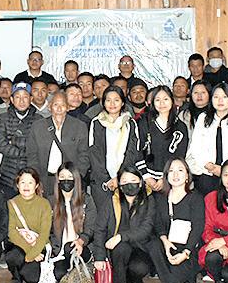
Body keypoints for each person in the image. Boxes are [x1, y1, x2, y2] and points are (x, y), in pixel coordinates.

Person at [92, 166, 154, 283]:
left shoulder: (149, 200)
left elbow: (146, 228)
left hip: (140, 245)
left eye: (133, 180)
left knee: (140, 268)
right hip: (117, 248)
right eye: (124, 181)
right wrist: (99, 256)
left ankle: (133, 277)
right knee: (121, 248)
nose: (129, 184)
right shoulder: (111, 201)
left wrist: (121, 236)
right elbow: (99, 229)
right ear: (119, 185)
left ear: (140, 182)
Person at [148, 159, 205, 283]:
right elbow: (158, 223)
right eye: (171, 171)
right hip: (168, 245)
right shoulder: (160, 198)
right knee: (153, 244)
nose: (175, 174)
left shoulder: (195, 198)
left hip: (188, 248)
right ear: (166, 176)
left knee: (177, 275)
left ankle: (172, 279)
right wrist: (165, 241)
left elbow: (198, 227)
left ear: (187, 176)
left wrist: (186, 252)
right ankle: (171, 279)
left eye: (180, 170)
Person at [186, 82, 228, 195]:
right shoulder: (203, 118)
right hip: (206, 172)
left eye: (224, 97)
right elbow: (195, 147)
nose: (220, 101)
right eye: (216, 97)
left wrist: (224, 169)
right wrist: (208, 165)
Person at [88, 86, 143, 215]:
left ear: (123, 102)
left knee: (124, 217)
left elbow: (132, 152)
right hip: (102, 182)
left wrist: (119, 178)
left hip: (125, 180)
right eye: (108, 100)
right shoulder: (96, 123)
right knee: (103, 219)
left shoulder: (130, 123)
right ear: (103, 102)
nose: (112, 104)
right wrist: (108, 179)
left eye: (116, 100)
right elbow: (94, 153)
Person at [27, 92, 90, 200]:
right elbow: (32, 155)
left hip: (69, 180)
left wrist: (77, 177)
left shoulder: (79, 126)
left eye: (63, 105)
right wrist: (36, 180)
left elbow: (84, 155)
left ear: (68, 107)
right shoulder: (38, 126)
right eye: (56, 104)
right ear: (49, 106)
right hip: (45, 179)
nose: (59, 108)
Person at [5, 168, 52, 283]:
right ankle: (16, 278)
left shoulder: (44, 204)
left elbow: (44, 234)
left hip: (38, 246)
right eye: (22, 182)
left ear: (36, 185)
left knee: (32, 278)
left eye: (30, 182)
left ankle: (25, 270)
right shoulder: (11, 204)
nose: (26, 186)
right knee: (13, 256)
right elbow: (11, 232)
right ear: (17, 184)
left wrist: (34, 252)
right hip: (19, 245)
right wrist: (30, 253)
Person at [49, 162, 96, 281]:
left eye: (70, 177)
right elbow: (48, 230)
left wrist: (81, 241)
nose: (66, 180)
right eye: (62, 177)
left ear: (76, 179)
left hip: (82, 247)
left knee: (69, 247)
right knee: (59, 274)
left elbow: (91, 227)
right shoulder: (51, 201)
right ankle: (74, 273)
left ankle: (79, 270)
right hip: (59, 251)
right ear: (57, 180)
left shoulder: (86, 200)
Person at [138, 86, 189, 194]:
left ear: (172, 100)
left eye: (165, 99)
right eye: (157, 100)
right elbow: (137, 150)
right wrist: (147, 177)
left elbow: (180, 154)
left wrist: (164, 178)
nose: (162, 103)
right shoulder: (144, 122)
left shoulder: (180, 126)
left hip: (171, 179)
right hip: (146, 179)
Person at [0, 82, 38, 199]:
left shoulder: (39, 120)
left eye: (25, 97)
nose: (21, 101)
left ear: (31, 99)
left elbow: (37, 146)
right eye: (18, 97)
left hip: (30, 175)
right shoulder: (3, 118)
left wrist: (13, 141)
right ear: (12, 100)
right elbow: (1, 145)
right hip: (7, 175)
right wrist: (24, 151)